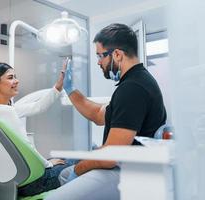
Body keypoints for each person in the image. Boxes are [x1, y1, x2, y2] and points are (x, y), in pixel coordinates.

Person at [45, 23, 167, 200]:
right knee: (65, 174)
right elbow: (99, 115)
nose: (98, 62)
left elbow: (110, 157)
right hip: (126, 165)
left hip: (128, 171)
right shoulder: (135, 81)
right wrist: (70, 90)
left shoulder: (133, 88)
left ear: (117, 54)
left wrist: (80, 168)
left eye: (100, 56)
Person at [0, 62, 77, 196]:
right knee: (83, 162)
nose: (17, 80)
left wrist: (58, 86)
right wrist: (48, 164)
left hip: (17, 181)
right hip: (35, 183)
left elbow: (38, 106)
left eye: (15, 76)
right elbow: (27, 147)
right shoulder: (7, 113)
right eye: (10, 77)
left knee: (64, 158)